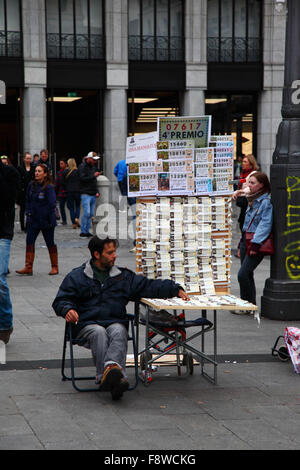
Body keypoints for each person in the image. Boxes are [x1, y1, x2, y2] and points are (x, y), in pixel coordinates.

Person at [52, 236, 190, 400]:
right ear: (97, 254)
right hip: (86, 325)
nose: (114, 256)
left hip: (113, 321)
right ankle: (110, 376)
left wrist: (174, 289)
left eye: (114, 252)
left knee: (118, 330)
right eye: (110, 253)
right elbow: (61, 300)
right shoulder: (77, 276)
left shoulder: (122, 276)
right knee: (98, 332)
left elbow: (147, 286)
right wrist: (68, 310)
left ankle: (111, 374)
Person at [232, 172, 273, 314]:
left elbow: (265, 223)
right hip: (246, 238)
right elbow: (242, 199)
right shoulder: (252, 197)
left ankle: (247, 306)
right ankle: (249, 305)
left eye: (253, 183)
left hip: (255, 241)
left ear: (261, 185)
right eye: (249, 182)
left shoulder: (265, 201)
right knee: (247, 274)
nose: (249, 185)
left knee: (243, 274)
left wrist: (256, 243)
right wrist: (240, 191)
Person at [16, 164, 59, 276]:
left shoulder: (49, 187)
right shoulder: (31, 185)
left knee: (50, 242)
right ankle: (28, 266)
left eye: (39, 171)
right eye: (36, 171)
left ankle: (55, 267)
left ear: (45, 174)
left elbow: (52, 204)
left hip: (47, 220)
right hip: (33, 219)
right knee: (29, 241)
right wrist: (28, 212)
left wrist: (46, 215)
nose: (36, 173)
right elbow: (28, 200)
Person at [0, 158, 20, 344]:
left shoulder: (9, 173)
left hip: (2, 232)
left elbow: (9, 199)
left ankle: (5, 324)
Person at [233, 154, 259, 258]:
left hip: (249, 203)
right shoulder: (243, 173)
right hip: (244, 203)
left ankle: (243, 248)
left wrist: (240, 191)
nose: (243, 164)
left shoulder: (253, 174)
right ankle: (242, 248)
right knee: (242, 224)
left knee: (246, 226)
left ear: (251, 163)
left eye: (245, 162)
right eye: (243, 161)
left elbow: (251, 188)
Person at [78, 151, 101, 238]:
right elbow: (82, 178)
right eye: (94, 160)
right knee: (87, 212)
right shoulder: (82, 167)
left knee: (91, 213)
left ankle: (86, 231)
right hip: (85, 192)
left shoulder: (93, 167)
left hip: (92, 192)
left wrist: (97, 191)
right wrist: (93, 176)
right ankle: (83, 231)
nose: (95, 161)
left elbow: (94, 181)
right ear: (89, 159)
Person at [17, 152, 35, 231]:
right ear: (24, 159)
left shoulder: (33, 167)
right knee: (23, 209)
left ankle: (29, 225)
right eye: (27, 158)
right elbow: (18, 179)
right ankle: (22, 226)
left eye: (30, 158)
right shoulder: (20, 168)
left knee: (31, 208)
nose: (28, 160)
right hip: (23, 191)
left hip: (31, 190)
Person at [62, 158, 81, 229]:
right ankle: (77, 218)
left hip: (69, 191)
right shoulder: (78, 171)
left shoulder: (65, 171)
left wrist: (66, 187)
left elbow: (62, 182)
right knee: (78, 206)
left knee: (71, 208)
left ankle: (73, 223)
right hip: (77, 191)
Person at [55, 158, 68, 225]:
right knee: (61, 207)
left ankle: (74, 219)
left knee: (70, 206)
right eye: (60, 164)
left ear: (66, 164)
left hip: (68, 191)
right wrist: (56, 191)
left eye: (62, 164)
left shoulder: (69, 172)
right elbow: (57, 182)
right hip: (61, 192)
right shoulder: (59, 172)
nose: (60, 165)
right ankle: (64, 220)